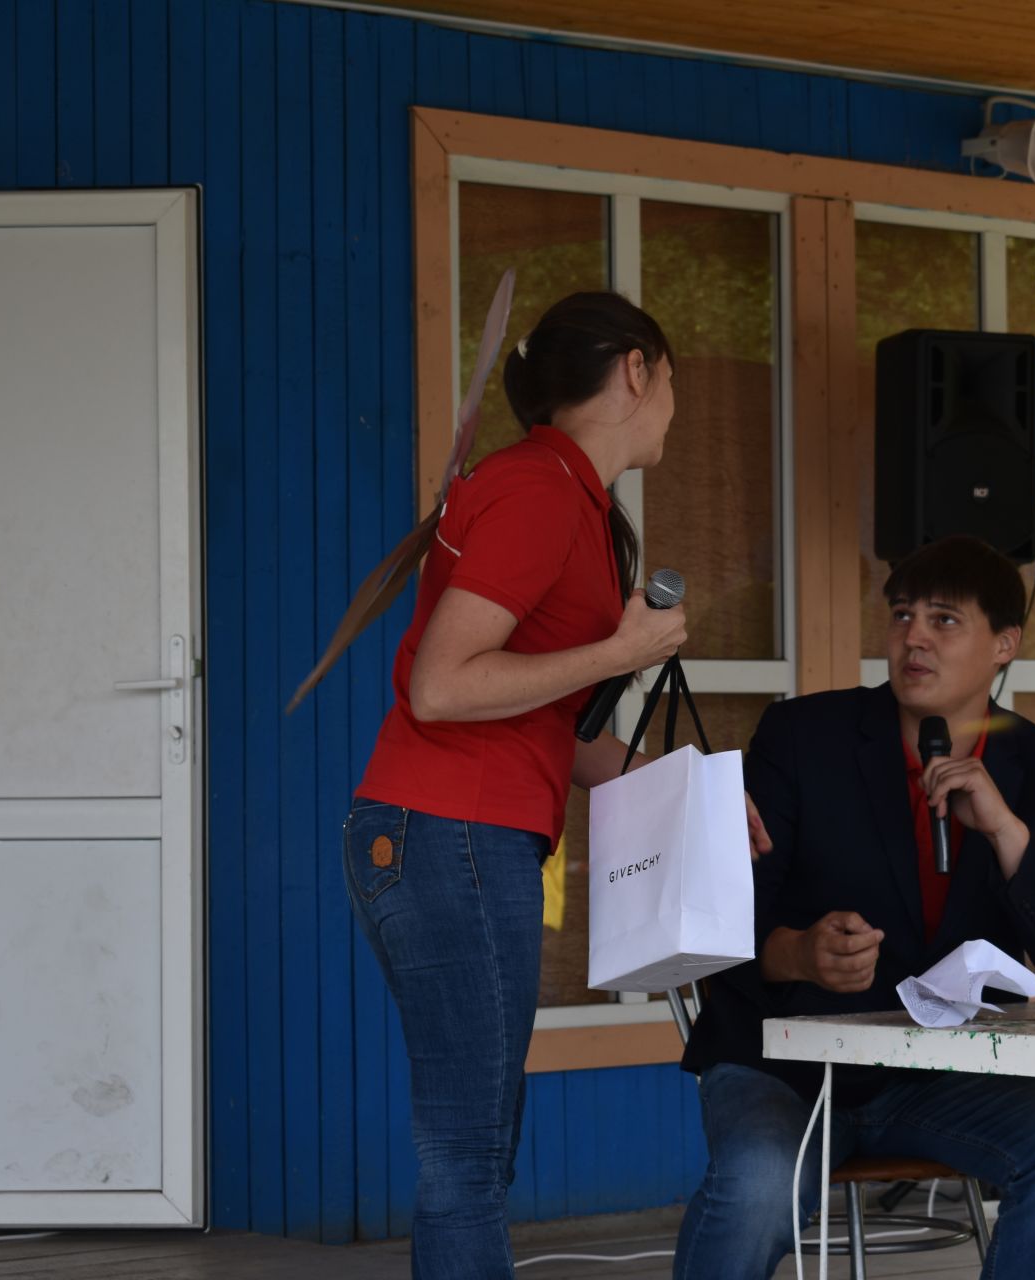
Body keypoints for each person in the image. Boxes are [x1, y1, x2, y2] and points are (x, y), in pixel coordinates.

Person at [342, 292, 697, 1279]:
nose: (675, 403)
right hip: (450, 830)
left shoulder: (571, 500)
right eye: (671, 379)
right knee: (467, 1148)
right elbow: (445, 685)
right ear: (636, 368)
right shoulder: (540, 489)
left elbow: (548, 722)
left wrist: (690, 792)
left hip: (462, 833)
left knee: (481, 1139)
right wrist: (620, 649)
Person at [674, 534, 1035, 1280]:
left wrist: (1009, 834)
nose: (914, 635)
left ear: (1004, 644)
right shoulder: (802, 737)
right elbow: (726, 916)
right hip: (786, 1064)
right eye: (903, 615)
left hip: (947, 1074)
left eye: (944, 620)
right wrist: (799, 950)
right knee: (756, 1188)